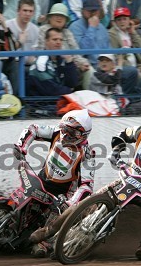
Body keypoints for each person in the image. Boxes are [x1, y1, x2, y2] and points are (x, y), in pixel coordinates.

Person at [30, 109, 141, 260]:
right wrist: (116, 151)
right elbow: (120, 136)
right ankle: (48, 232)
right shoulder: (140, 131)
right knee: (87, 202)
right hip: (126, 180)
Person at [14, 109, 95, 257]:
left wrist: (71, 203)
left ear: (83, 134)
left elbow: (87, 186)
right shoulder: (56, 132)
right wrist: (21, 147)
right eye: (65, 129)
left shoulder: (87, 154)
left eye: (72, 132)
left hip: (62, 194)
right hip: (42, 180)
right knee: (19, 202)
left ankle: (43, 243)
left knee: (52, 223)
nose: (66, 134)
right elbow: (33, 129)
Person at [69, 0, 140, 95]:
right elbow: (82, 51)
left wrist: (114, 65)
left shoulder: (102, 27)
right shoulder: (75, 26)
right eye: (89, 11)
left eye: (95, 10)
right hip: (91, 67)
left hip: (108, 65)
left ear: (99, 11)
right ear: (82, 11)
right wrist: (92, 28)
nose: (92, 13)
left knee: (131, 71)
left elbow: (109, 50)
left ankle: (122, 101)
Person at [36, 3, 91, 89]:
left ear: (66, 20)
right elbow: (40, 51)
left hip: (69, 64)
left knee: (89, 70)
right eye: (56, 15)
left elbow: (76, 52)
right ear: (50, 18)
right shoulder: (42, 30)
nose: (59, 18)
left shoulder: (67, 32)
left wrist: (81, 63)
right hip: (50, 65)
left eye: (62, 16)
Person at [27, 27, 79, 96]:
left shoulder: (63, 59)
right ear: (46, 41)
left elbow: (73, 83)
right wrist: (70, 90)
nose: (58, 42)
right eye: (55, 39)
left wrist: (69, 61)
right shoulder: (40, 62)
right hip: (42, 104)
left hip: (60, 100)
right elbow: (51, 90)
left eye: (61, 40)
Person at [5, 0, 39, 92]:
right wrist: (20, 42)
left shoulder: (35, 29)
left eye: (30, 11)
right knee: (16, 67)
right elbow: (6, 51)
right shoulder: (7, 26)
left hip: (28, 64)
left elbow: (34, 53)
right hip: (11, 63)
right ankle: (18, 100)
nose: (27, 14)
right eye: (25, 10)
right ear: (18, 11)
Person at [108, 7, 141, 73]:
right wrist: (133, 69)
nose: (122, 22)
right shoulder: (112, 34)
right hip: (123, 68)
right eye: (119, 20)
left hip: (138, 66)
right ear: (115, 22)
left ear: (129, 20)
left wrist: (133, 33)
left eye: (124, 19)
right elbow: (115, 56)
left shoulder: (130, 31)